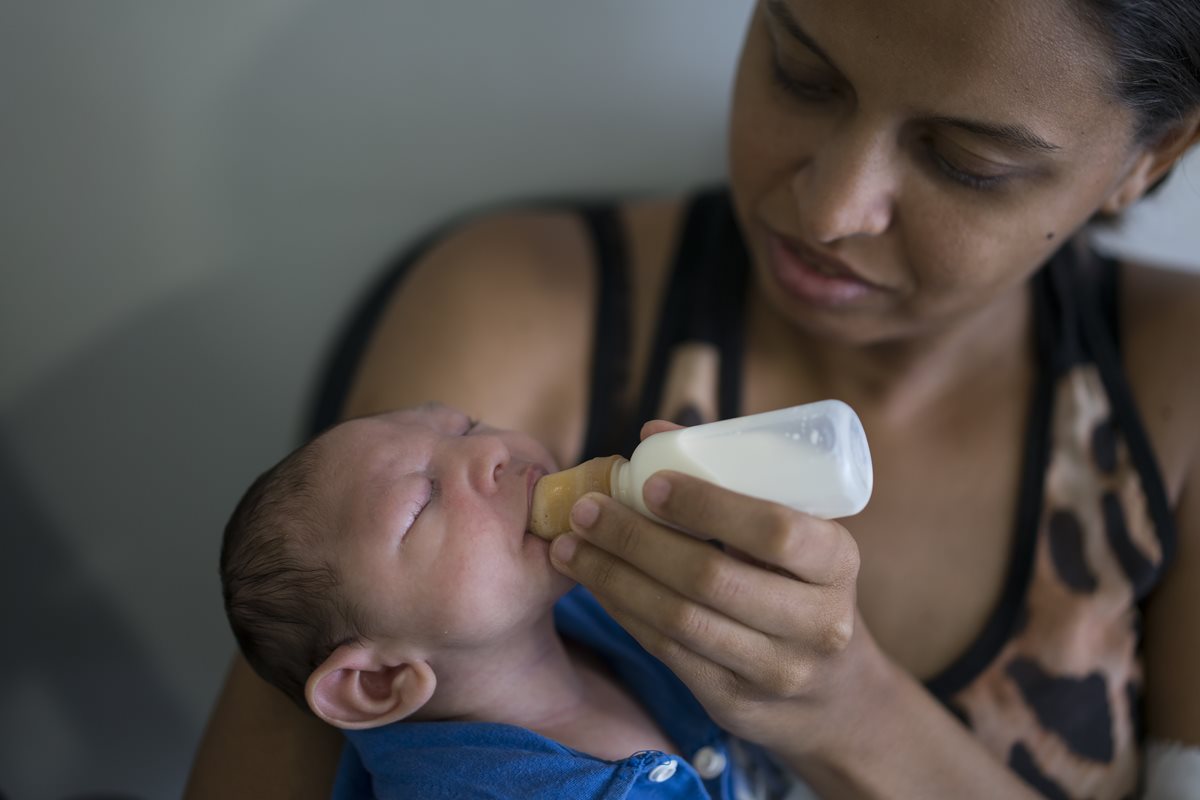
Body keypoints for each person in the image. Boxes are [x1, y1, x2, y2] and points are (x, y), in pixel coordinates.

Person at [187, 0, 1200, 797]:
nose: (831, 207)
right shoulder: (519, 307)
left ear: (1151, 158)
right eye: (802, 74)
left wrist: (851, 712)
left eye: (965, 161)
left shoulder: (1175, 386)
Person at [218, 402, 786, 799]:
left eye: (465, 426)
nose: (490, 448)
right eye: (422, 502)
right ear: (376, 681)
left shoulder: (596, 601)